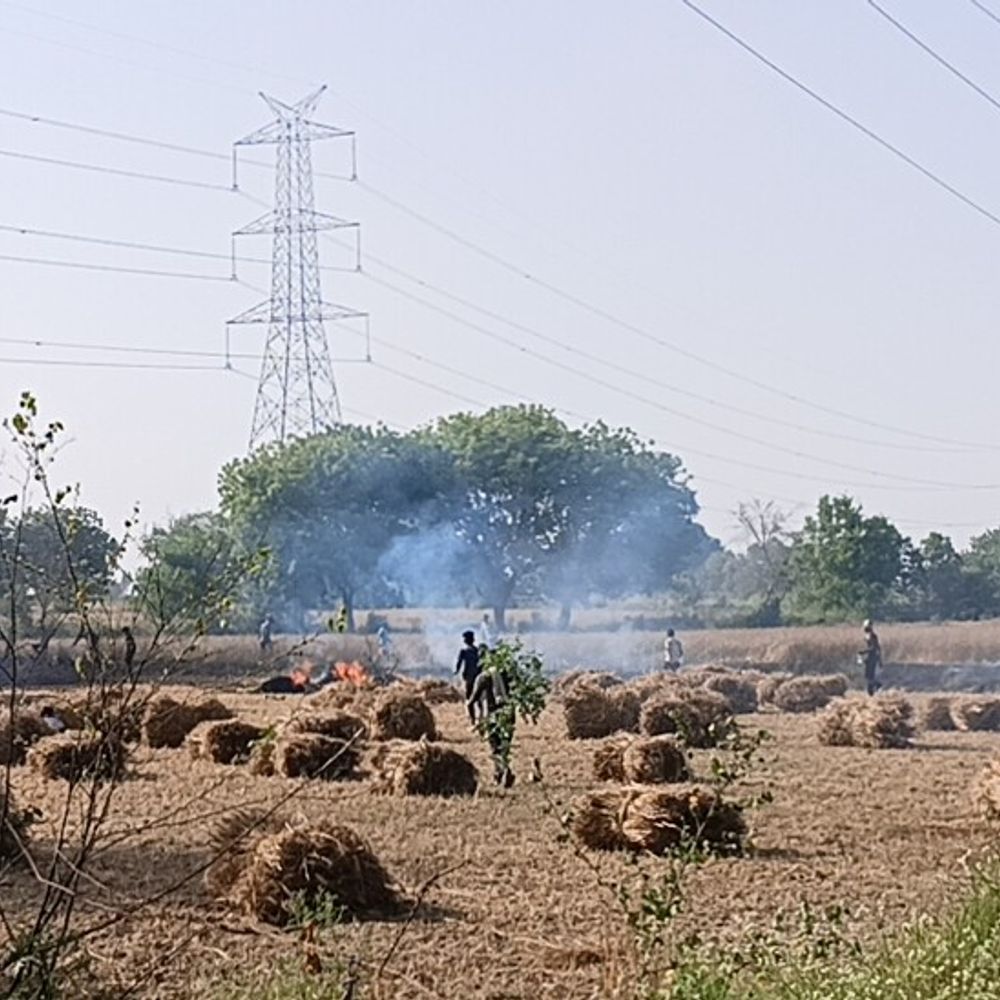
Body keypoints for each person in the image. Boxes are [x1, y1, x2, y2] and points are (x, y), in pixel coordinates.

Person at [468, 664, 515, 788]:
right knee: (504, 748)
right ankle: (501, 773)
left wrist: (474, 719)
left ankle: (502, 773)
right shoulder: (508, 676)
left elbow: (471, 701)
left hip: (492, 715)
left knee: (495, 748)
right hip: (508, 715)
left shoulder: (483, 678)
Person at [455, 630, 481, 724]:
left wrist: (456, 671)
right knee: (478, 698)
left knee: (469, 699)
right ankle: (480, 716)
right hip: (478, 678)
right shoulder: (477, 651)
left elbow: (459, 663)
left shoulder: (464, 651)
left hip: (469, 679)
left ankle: (473, 718)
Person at [860, 619, 882, 695]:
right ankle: (873, 690)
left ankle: (877, 686)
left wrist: (863, 652)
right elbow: (878, 648)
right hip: (870, 657)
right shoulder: (869, 635)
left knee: (870, 676)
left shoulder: (872, 636)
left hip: (871, 657)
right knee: (868, 676)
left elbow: (874, 648)